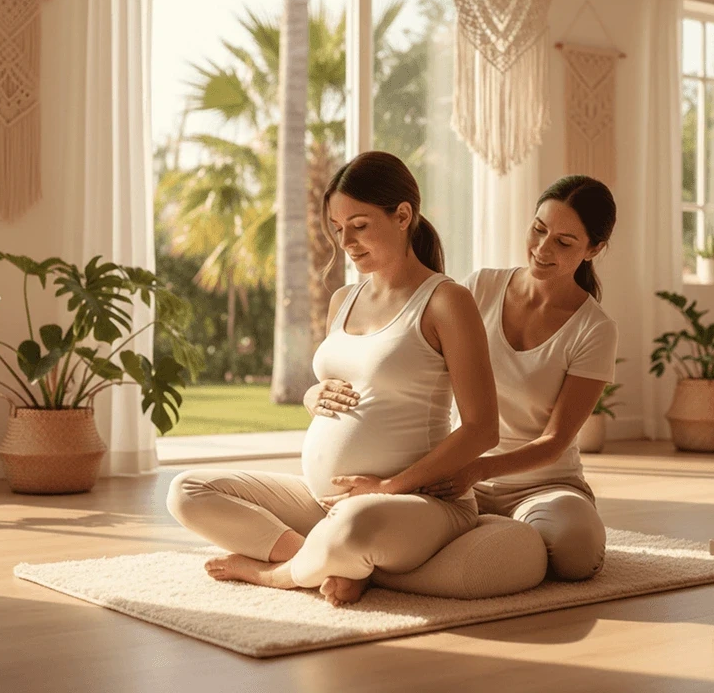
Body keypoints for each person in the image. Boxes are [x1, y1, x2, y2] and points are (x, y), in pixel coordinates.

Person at [166, 150, 500, 606]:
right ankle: (327, 560)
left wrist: (386, 488)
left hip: (414, 504)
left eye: (359, 226)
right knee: (186, 491)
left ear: (403, 216)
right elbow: (348, 384)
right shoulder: (344, 298)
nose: (346, 241)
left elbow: (483, 428)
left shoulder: (445, 301)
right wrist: (312, 397)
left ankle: (279, 574)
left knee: (357, 526)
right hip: (324, 502)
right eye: (338, 229)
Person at [378, 175, 616, 592]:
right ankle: (495, 541)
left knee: (578, 553)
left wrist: (480, 469)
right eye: (539, 229)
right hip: (453, 478)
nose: (542, 249)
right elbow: (406, 364)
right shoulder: (478, 287)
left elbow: (557, 440)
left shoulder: (594, 328)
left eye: (564, 242)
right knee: (378, 526)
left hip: (542, 486)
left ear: (593, 249)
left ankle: (489, 537)